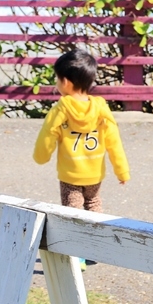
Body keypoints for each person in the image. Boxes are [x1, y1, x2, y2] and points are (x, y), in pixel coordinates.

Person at [33, 49, 130, 219]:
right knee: (94, 203)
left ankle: (74, 241)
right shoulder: (101, 109)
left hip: (70, 175)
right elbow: (114, 143)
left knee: (72, 211)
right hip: (95, 173)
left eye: (57, 78)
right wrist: (122, 172)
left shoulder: (60, 109)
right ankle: (98, 235)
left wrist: (41, 156)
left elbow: (47, 134)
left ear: (66, 82)